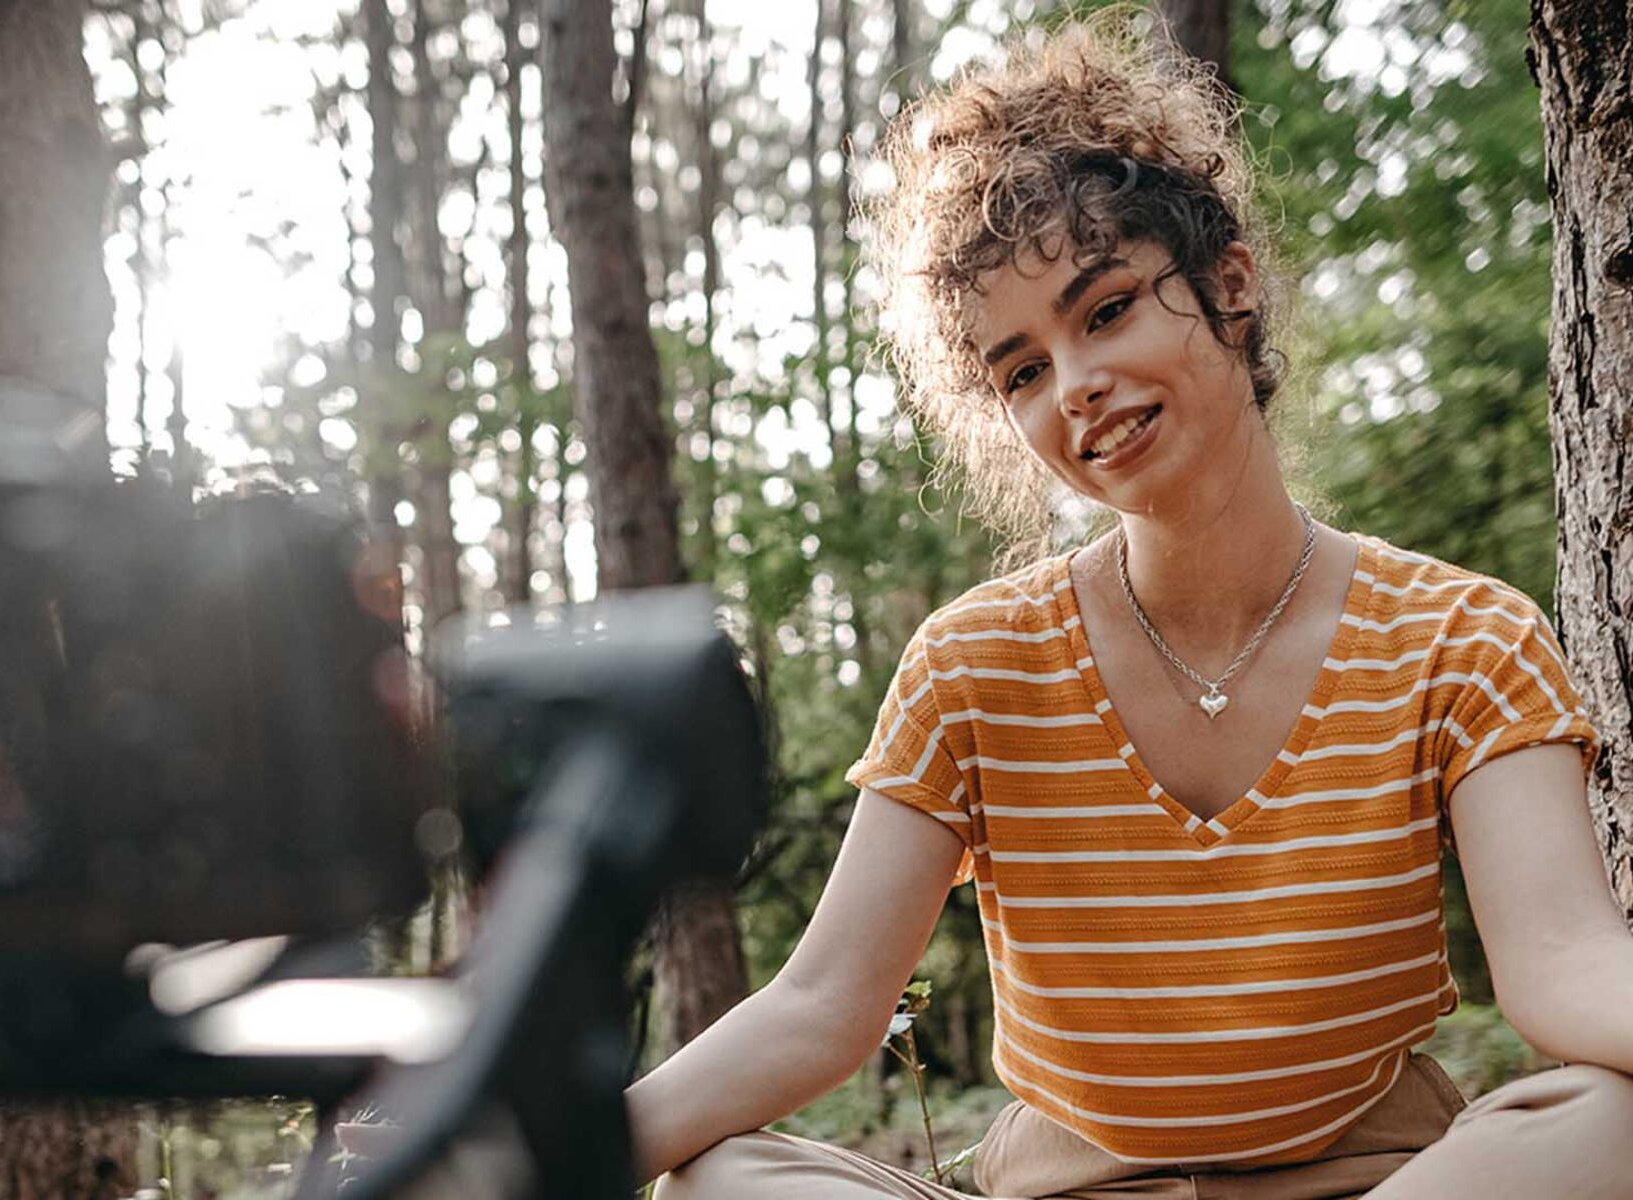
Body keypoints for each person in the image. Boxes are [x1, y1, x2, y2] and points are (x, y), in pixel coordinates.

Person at [623, 11, 1633, 1199]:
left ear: (1228, 287)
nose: (1078, 387)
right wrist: (532, 1160)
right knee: (725, 1177)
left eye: (1105, 310)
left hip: (1385, 1189)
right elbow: (817, 1009)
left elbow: (1566, 963)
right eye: (1023, 371)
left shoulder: (1464, 638)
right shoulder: (972, 665)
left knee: (1604, 1120)